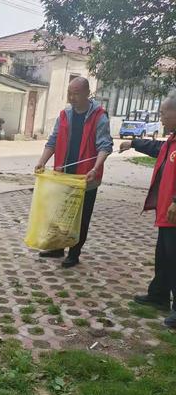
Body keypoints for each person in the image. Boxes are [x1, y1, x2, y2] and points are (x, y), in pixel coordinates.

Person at [35, 77, 113, 268]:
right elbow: (53, 141)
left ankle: (74, 252)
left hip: (86, 178)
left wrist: (96, 168)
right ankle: (58, 248)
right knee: (60, 213)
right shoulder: (65, 115)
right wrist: (42, 161)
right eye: (69, 93)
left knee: (81, 217)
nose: (71, 97)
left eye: (75, 93)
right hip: (63, 176)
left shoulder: (99, 117)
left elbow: (105, 145)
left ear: (87, 93)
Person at [120, 90, 176, 328]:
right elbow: (157, 149)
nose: (160, 117)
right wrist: (133, 143)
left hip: (174, 210)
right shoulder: (172, 141)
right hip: (166, 213)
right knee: (163, 257)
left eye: (164, 112)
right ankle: (159, 296)